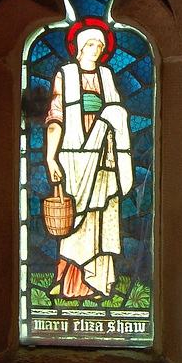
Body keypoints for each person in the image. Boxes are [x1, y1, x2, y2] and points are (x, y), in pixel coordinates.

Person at [45, 27, 133, 298]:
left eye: (100, 44)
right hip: (73, 157)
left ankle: (99, 282)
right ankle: (70, 282)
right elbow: (55, 117)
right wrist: (50, 156)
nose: (96, 49)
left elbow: (117, 115)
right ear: (80, 47)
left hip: (105, 158)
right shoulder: (66, 75)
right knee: (74, 218)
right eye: (91, 44)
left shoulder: (106, 76)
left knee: (100, 216)